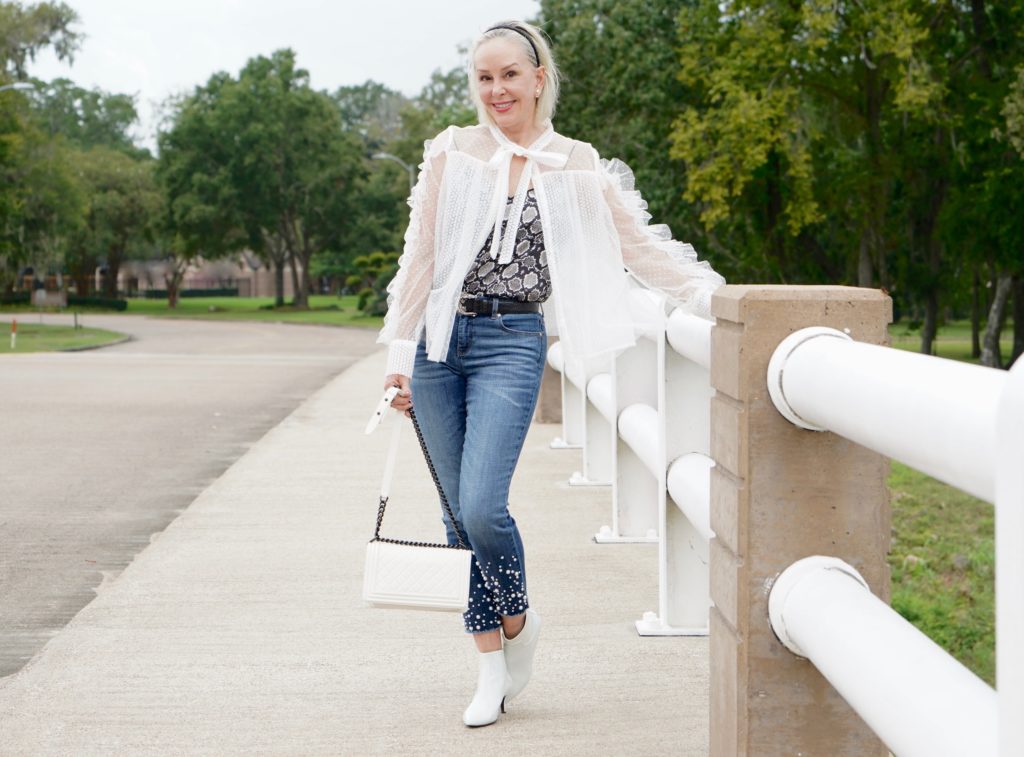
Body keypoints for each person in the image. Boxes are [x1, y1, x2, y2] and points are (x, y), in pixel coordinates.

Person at [377, 20, 724, 728]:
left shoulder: (573, 162)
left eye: (510, 75)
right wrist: (397, 356)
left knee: (481, 504)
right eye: (484, 77)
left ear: (539, 78)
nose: (496, 89)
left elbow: (636, 249)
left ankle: (518, 618)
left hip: (512, 337)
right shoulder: (450, 152)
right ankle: (488, 666)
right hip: (441, 341)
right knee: (452, 515)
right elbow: (419, 259)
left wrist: (712, 297)